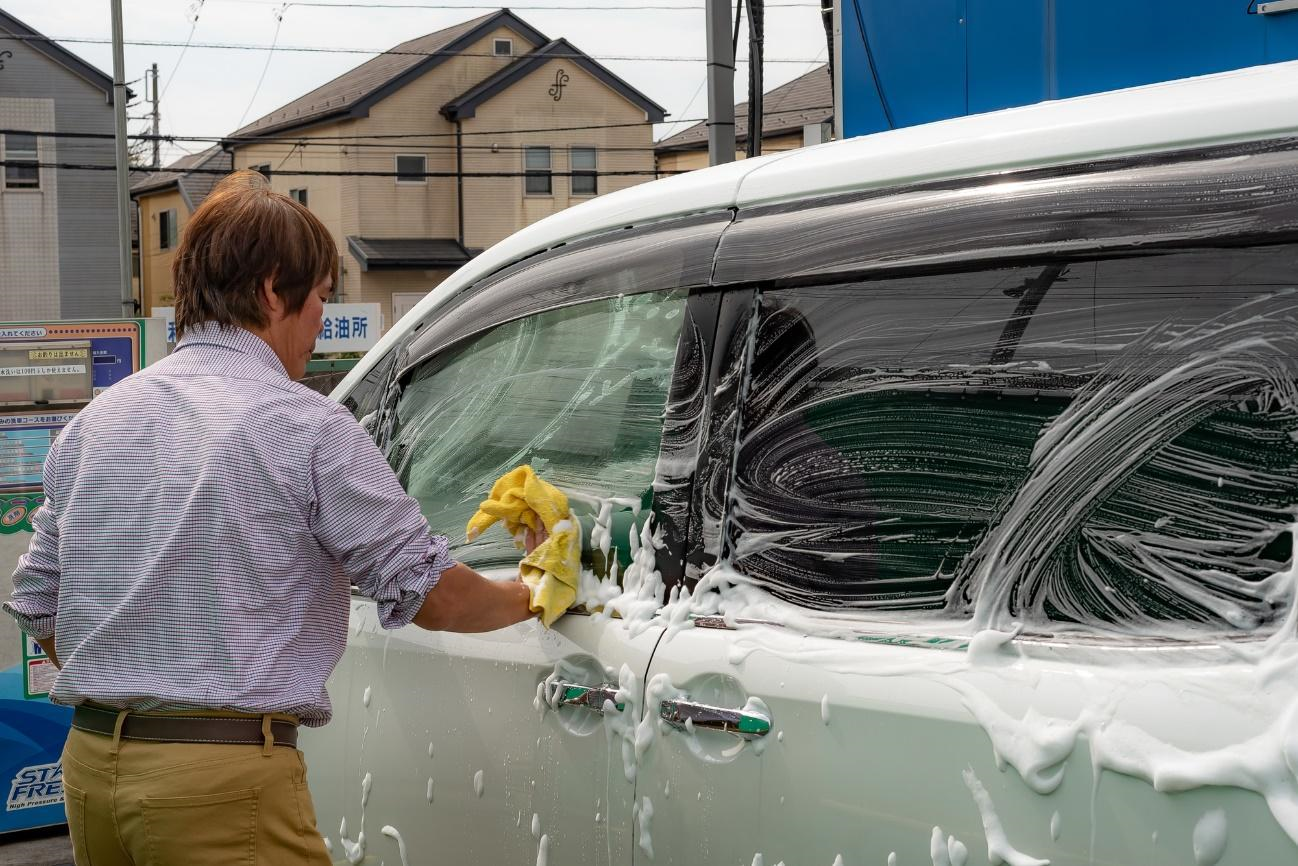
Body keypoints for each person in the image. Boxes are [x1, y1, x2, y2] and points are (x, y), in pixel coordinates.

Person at [2, 170, 538, 865]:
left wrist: (134, 684)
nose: (322, 317)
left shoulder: (98, 420)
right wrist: (537, 592)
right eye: (319, 296)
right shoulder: (304, 424)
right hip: (219, 783)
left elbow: (38, 602)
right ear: (270, 289)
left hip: (93, 766)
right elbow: (428, 592)